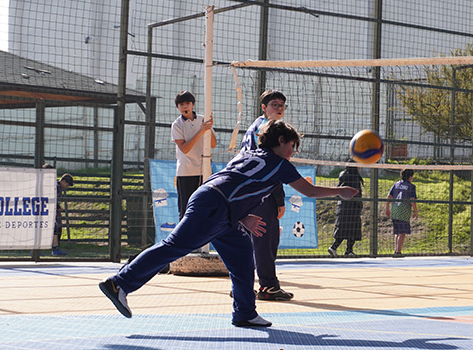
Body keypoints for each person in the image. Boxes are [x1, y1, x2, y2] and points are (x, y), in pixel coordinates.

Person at [99, 120, 358, 327]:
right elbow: (309, 191)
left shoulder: (248, 155)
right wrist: (341, 191)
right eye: (292, 146)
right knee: (173, 247)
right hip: (215, 206)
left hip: (217, 205)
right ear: (280, 141)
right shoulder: (279, 164)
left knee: (243, 257)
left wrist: (241, 215)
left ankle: (245, 313)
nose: (293, 152)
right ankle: (119, 283)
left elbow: (235, 182)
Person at [240, 89, 292, 301]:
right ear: (264, 107)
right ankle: (268, 286)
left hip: (243, 189)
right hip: (260, 191)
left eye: (281, 105)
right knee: (265, 239)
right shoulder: (267, 130)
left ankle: (241, 285)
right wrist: (279, 199)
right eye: (274, 105)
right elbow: (272, 166)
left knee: (247, 241)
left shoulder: (254, 126)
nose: (279, 108)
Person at [171, 90, 217, 221]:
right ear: (178, 107)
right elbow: (184, 149)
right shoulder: (177, 125)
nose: (185, 107)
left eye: (187, 103)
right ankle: (185, 233)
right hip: (186, 172)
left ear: (192, 105)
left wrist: (208, 128)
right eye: (181, 104)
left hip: (205, 171)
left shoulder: (203, 119)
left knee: (205, 207)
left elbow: (213, 144)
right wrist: (201, 131)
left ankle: (204, 234)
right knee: (186, 210)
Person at [329, 164, 364, 257]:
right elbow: (357, 193)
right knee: (352, 229)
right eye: (358, 166)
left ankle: (335, 247)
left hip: (342, 207)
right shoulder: (354, 178)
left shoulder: (343, 177)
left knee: (343, 229)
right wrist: (359, 205)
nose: (360, 168)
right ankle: (347, 250)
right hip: (352, 208)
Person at [385, 168, 418, 257]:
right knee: (402, 232)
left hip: (394, 210)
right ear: (410, 177)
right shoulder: (411, 186)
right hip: (404, 211)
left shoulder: (396, 184)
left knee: (397, 232)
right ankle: (398, 252)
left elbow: (389, 196)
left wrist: (387, 208)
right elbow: (412, 199)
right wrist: (415, 211)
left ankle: (396, 250)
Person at [51, 169, 73, 256]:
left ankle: (56, 247)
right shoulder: (56, 187)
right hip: (52, 211)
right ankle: (55, 248)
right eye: (67, 184)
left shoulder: (58, 187)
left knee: (58, 228)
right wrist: (58, 207)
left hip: (55, 211)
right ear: (63, 181)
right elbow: (52, 199)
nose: (66, 187)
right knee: (56, 229)